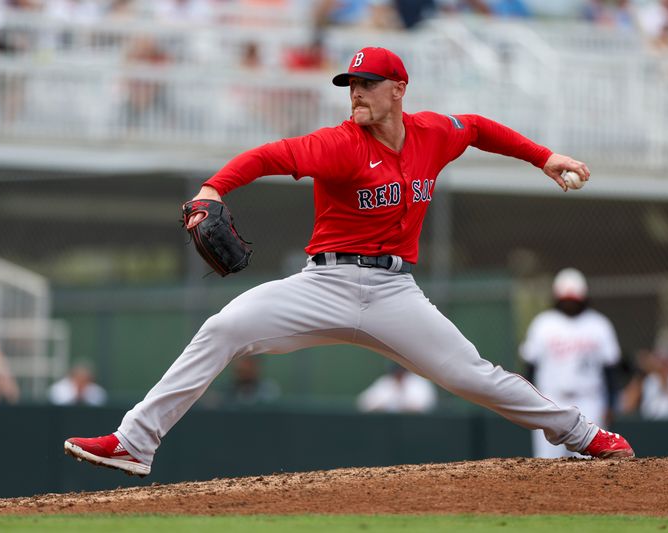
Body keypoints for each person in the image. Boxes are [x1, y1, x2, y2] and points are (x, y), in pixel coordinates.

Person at [64, 46, 634, 477]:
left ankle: (584, 435)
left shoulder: (433, 134)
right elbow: (268, 155)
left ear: (398, 90)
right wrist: (213, 189)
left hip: (394, 294)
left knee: (473, 375)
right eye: (350, 84)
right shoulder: (339, 144)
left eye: (367, 83)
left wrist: (543, 157)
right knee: (223, 327)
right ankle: (135, 443)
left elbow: (480, 128)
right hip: (325, 282)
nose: (356, 92)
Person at [520, 268, 621, 458]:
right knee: (546, 462)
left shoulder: (599, 324)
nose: (569, 303)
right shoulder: (543, 323)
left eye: (573, 299)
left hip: (589, 400)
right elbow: (530, 367)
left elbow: (610, 368)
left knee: (591, 463)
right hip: (551, 400)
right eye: (566, 299)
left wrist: (611, 402)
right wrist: (529, 402)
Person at [621, 330, 668, 420]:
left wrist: (661, 375)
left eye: (666, 358)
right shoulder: (651, 379)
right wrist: (641, 374)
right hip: (652, 426)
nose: (662, 362)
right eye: (659, 358)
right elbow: (626, 406)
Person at [357, 364, 437, 413]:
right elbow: (363, 403)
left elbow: (421, 407)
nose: (399, 374)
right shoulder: (386, 381)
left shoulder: (418, 382)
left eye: (401, 371)